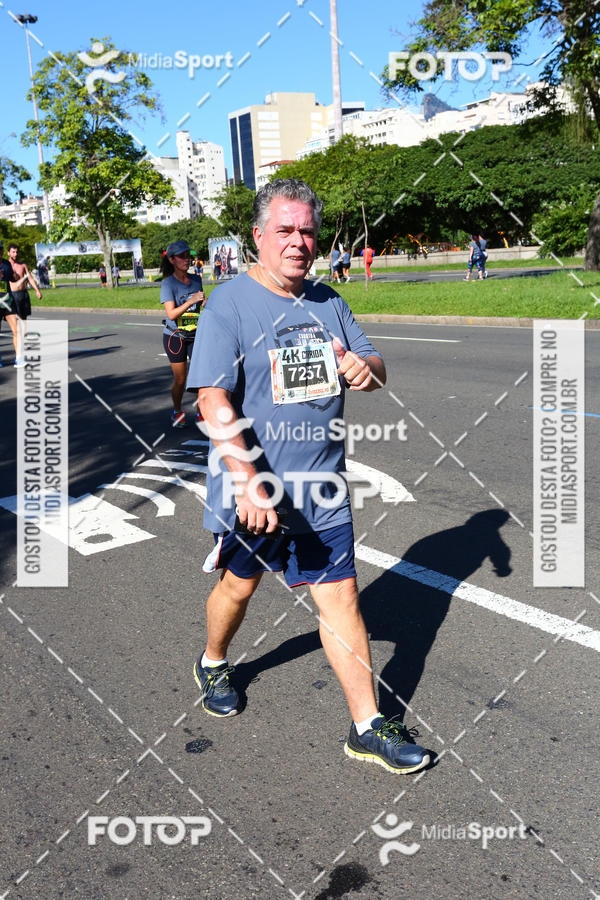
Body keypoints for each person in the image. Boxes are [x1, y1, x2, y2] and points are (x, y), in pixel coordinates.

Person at [186, 179, 430, 775]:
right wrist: (246, 477)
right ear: (259, 236)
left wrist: (361, 367)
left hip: (323, 486)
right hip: (257, 486)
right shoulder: (229, 303)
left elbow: (376, 365)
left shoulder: (329, 302)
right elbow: (212, 399)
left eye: (308, 232)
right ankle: (214, 659)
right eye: (286, 231)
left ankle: (367, 725)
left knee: (341, 595)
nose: (299, 243)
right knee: (239, 587)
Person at [160, 240, 205, 428]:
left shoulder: (196, 280)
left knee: (202, 376)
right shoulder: (168, 284)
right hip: (175, 336)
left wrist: (205, 302)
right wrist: (191, 301)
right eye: (182, 256)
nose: (187, 259)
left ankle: (202, 413)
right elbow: (171, 313)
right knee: (181, 379)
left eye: (188, 255)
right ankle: (177, 410)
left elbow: (199, 303)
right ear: (172, 259)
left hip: (196, 334)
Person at [7, 245, 41, 361]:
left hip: (23, 295)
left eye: (17, 252)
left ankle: (21, 346)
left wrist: (37, 290)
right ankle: (19, 354)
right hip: (12, 296)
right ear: (8, 253)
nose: (15, 254)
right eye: (13, 252)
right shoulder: (6, 266)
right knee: (16, 328)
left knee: (23, 324)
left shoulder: (23, 265)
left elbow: (30, 278)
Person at [0, 240, 21, 367]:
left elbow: (13, 278)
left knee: (16, 330)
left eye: (1, 249)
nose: (0, 252)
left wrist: (16, 276)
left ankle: (19, 358)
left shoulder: (7, 264)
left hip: (8, 301)